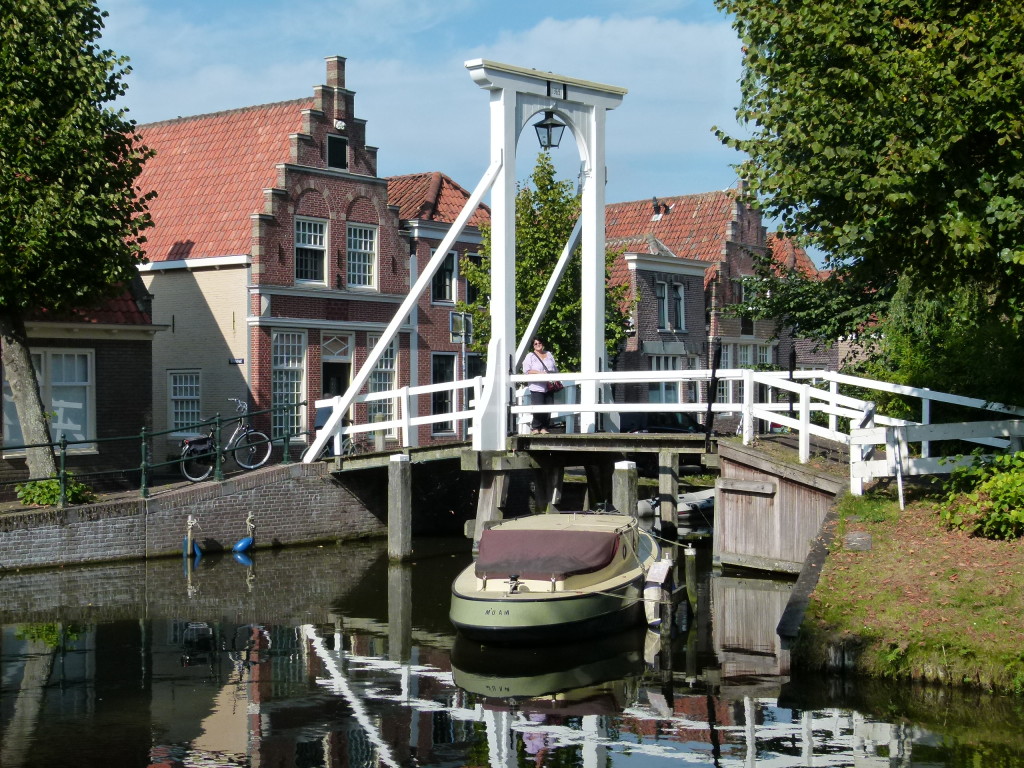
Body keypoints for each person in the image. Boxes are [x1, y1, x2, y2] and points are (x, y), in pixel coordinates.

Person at [523, 337, 558, 433]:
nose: (538, 345)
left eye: (540, 343)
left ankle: (544, 427)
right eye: (535, 343)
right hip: (536, 386)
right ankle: (535, 427)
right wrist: (539, 373)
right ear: (533, 346)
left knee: (548, 406)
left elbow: (554, 368)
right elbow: (526, 370)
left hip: (549, 384)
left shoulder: (549, 354)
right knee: (538, 405)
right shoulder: (530, 356)